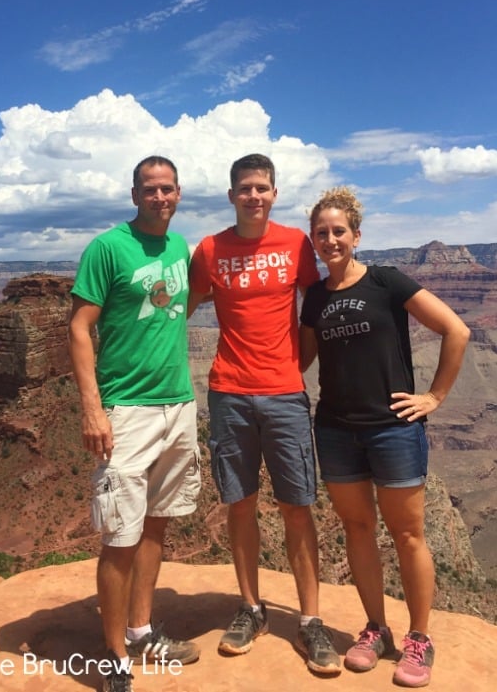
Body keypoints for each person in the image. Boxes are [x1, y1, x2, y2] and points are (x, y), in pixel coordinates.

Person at [300, 186, 470, 689]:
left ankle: (419, 638)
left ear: (356, 235)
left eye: (338, 231)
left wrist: (434, 398)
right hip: (335, 428)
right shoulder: (315, 297)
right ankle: (375, 628)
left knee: (408, 534)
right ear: (313, 238)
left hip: (393, 429)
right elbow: (303, 360)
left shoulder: (386, 281)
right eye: (321, 232)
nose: (330, 239)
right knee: (357, 530)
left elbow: (456, 331)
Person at [188, 153, 341, 675]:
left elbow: (317, 307)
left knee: (297, 506)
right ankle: (251, 608)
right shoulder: (209, 250)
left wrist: (295, 367)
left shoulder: (295, 243)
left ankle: (310, 620)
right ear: (231, 195)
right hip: (228, 393)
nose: (254, 195)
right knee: (240, 504)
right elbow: (180, 310)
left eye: (263, 187)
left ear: (274, 194)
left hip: (284, 394)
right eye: (245, 188)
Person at [68, 156, 201, 692]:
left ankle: (142, 630)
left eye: (168, 189)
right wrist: (92, 408)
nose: (160, 197)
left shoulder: (181, 247)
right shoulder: (106, 248)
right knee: (120, 535)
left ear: (178, 193)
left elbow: (178, 311)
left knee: (157, 523)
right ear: (134, 194)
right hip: (126, 409)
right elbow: (79, 328)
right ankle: (114, 656)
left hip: (179, 404)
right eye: (150, 189)